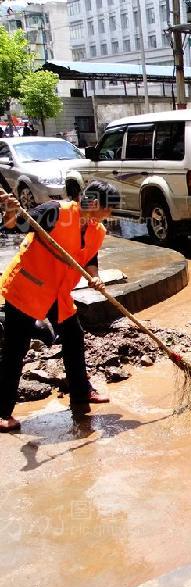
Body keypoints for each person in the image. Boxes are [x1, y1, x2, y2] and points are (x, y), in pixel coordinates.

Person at [0, 181, 118, 432]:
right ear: (95, 204)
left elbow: (90, 257)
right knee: (15, 349)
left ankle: (81, 391)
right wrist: (10, 210)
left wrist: (94, 276)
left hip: (56, 292)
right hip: (27, 287)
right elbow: (15, 225)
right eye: (109, 209)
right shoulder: (56, 211)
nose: (110, 215)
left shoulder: (96, 230)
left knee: (74, 336)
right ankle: (2, 411)